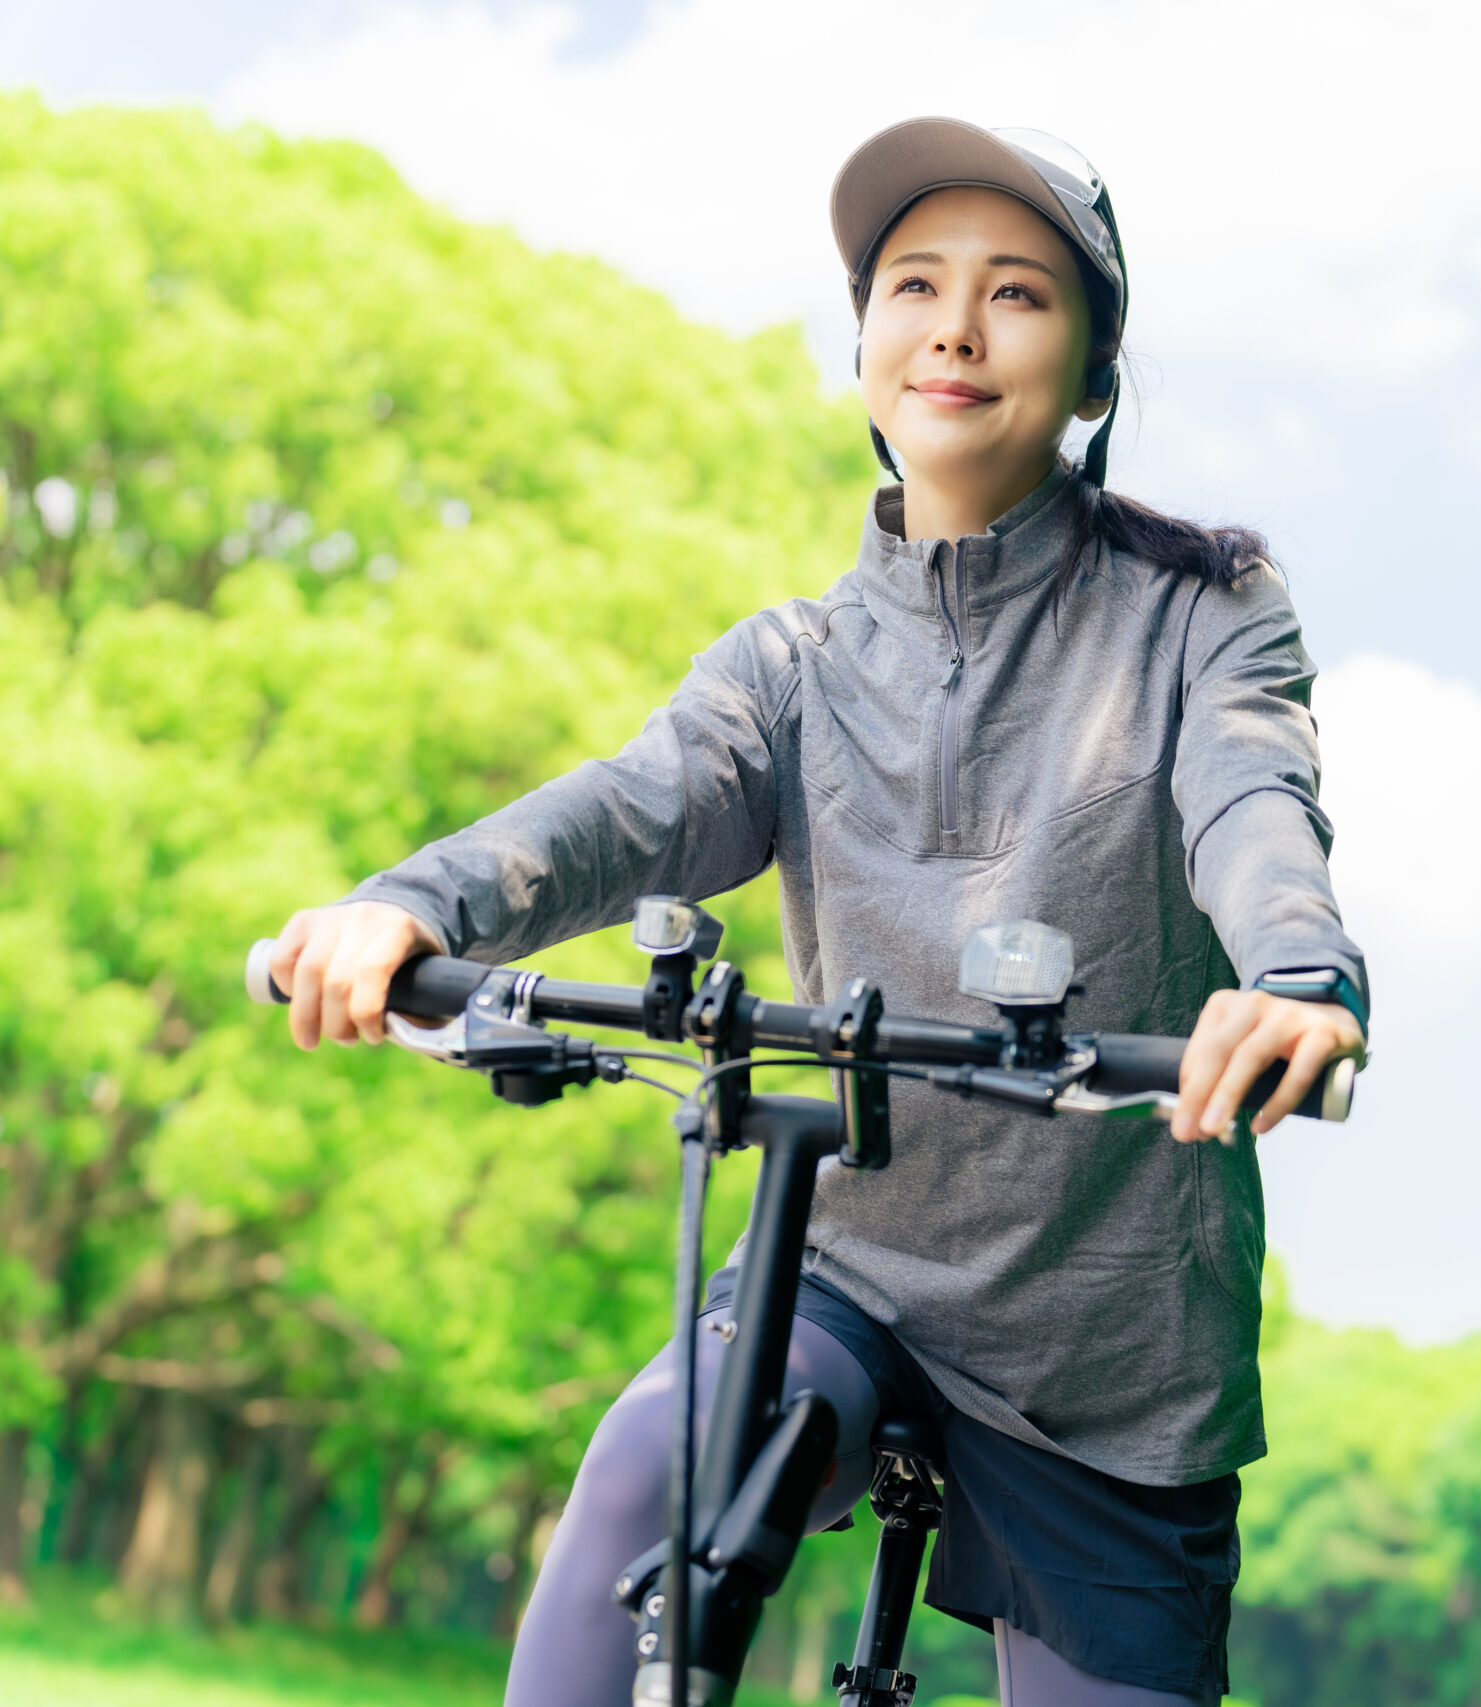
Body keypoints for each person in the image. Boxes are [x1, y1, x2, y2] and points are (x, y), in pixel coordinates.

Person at [263, 117, 1367, 1707]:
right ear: (865, 348)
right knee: (654, 1478)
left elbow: (1256, 806)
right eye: (916, 284)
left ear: (1097, 373)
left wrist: (1297, 976)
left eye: (1020, 294)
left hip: (1109, 1347)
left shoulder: (1202, 616)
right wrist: (407, 907)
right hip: (850, 1270)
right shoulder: (787, 670)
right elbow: (627, 807)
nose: (959, 327)